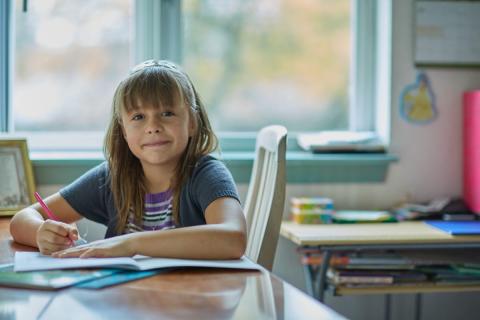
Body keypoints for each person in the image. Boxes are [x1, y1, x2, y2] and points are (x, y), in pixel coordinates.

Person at [10, 60, 247, 260]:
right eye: (139, 117)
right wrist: (41, 232)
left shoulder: (206, 174)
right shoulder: (111, 177)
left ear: (192, 122)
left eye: (167, 113)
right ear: (123, 130)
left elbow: (233, 238)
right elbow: (21, 220)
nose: (153, 127)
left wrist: (131, 243)